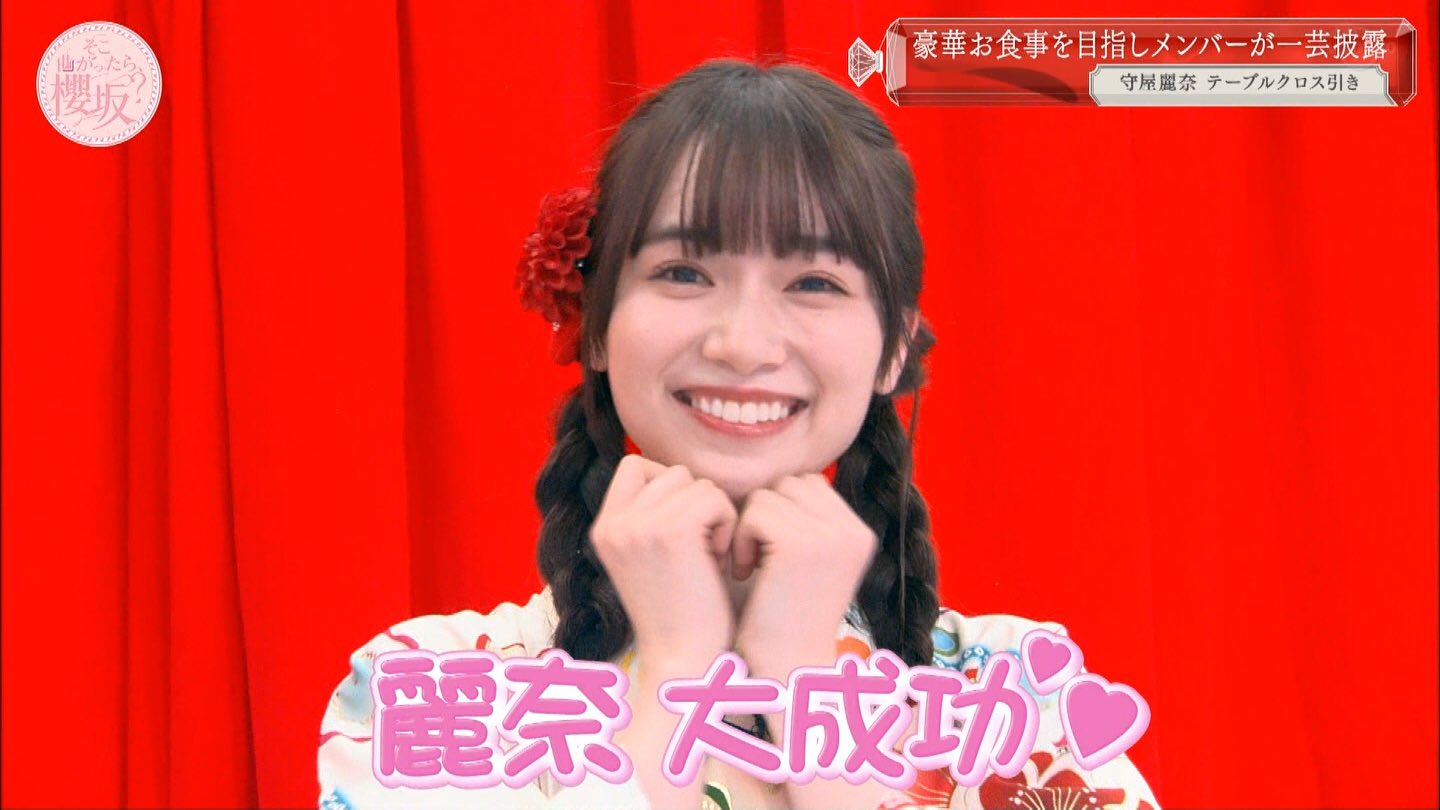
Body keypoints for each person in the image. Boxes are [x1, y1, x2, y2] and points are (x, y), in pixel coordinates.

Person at [318, 58, 1160, 810]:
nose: (744, 345)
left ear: (894, 347)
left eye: (815, 282)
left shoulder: (1021, 698)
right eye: (684, 272)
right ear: (597, 323)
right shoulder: (433, 688)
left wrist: (802, 673)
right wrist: (675, 666)